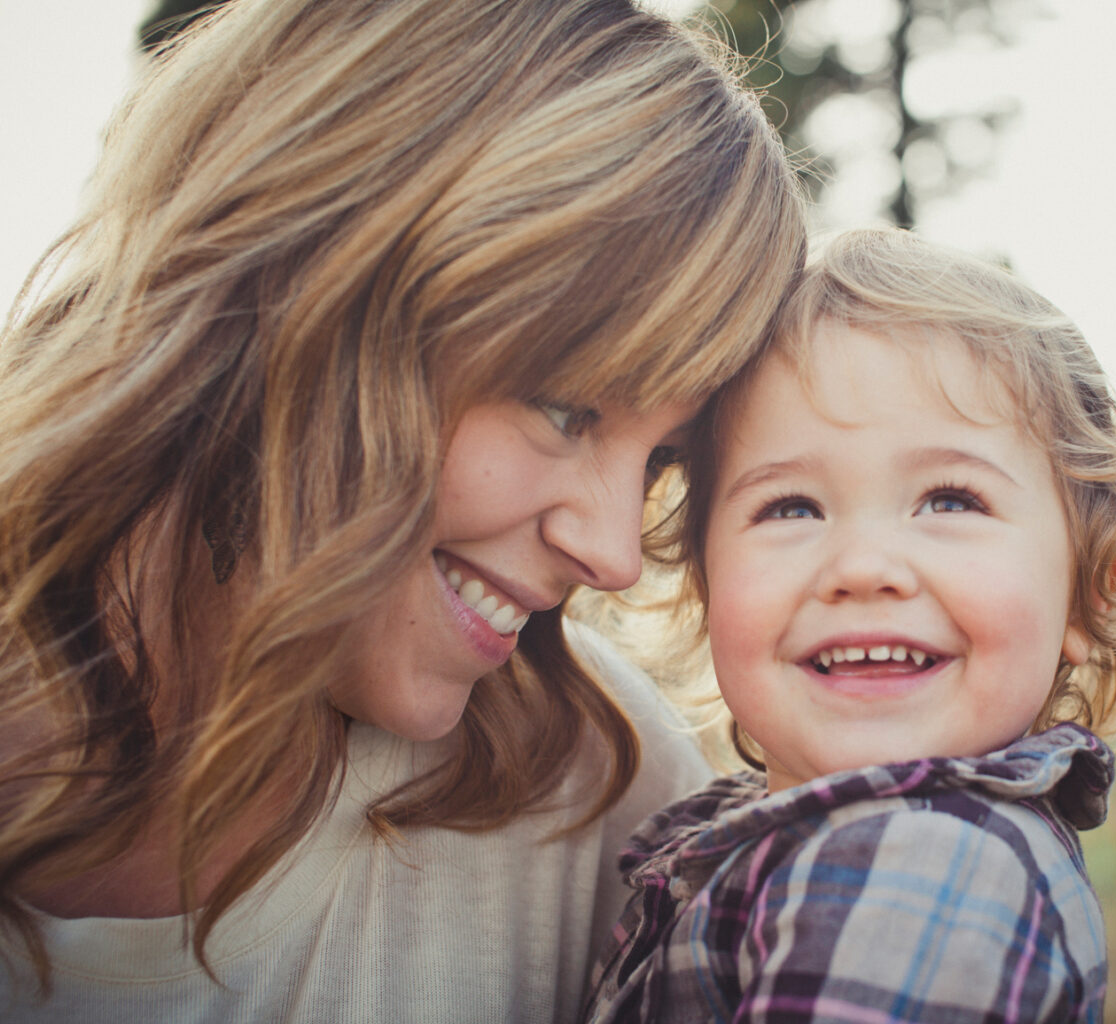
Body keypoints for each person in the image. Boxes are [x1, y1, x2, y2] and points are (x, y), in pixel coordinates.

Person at [0, 0, 805, 1019]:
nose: (613, 555)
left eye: (660, 464)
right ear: (306, 277)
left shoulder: (606, 803)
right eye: (565, 409)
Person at [584, 227, 1116, 1022]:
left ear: (1085, 594)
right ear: (705, 583)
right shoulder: (774, 840)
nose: (864, 566)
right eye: (791, 508)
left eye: (950, 501)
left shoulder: (927, 864)